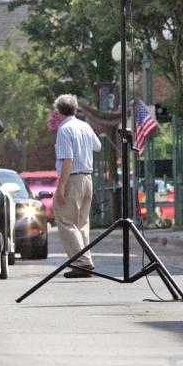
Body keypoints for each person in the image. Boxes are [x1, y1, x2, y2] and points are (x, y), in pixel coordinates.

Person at [52, 94, 101, 278]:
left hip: (73, 178)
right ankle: (84, 261)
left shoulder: (64, 130)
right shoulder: (85, 126)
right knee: (81, 223)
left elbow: (68, 160)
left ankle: (81, 262)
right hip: (88, 178)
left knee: (65, 220)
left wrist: (61, 187)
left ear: (58, 111)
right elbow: (98, 146)